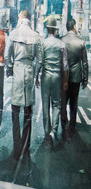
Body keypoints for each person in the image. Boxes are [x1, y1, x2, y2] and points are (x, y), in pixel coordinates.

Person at [4, 10, 42, 160]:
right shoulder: (36, 36)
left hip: (18, 71)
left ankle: (16, 145)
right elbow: (40, 59)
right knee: (28, 112)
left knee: (15, 111)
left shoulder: (13, 34)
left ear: (20, 18)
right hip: (30, 72)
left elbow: (7, 56)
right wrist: (36, 73)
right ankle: (26, 146)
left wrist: (10, 68)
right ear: (30, 18)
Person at [35, 17, 69, 146]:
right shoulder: (61, 44)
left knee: (45, 105)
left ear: (47, 29)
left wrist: (36, 76)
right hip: (57, 78)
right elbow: (65, 65)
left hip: (45, 77)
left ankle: (46, 132)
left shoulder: (43, 44)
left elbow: (39, 62)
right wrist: (65, 80)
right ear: (55, 30)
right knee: (56, 105)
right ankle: (53, 131)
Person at [61, 19, 88, 138]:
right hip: (76, 77)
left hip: (63, 77)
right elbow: (85, 63)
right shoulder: (81, 42)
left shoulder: (61, 40)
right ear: (74, 27)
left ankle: (63, 124)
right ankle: (72, 126)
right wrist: (85, 78)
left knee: (63, 101)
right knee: (74, 102)